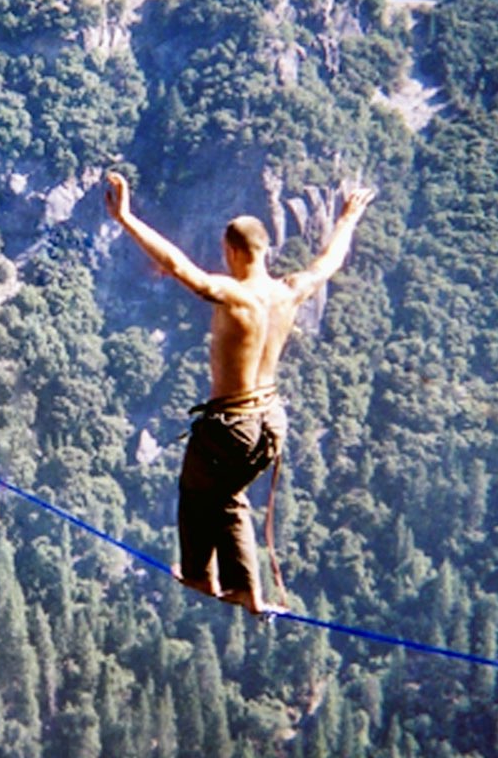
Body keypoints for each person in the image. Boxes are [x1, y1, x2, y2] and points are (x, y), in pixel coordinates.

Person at [104, 172, 376, 617]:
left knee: (199, 491)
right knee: (228, 496)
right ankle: (238, 588)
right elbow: (329, 263)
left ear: (231, 252)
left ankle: (207, 576)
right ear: (265, 251)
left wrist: (126, 218)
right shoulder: (289, 290)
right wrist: (347, 218)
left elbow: (178, 266)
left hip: (232, 423)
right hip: (271, 421)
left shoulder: (233, 296)